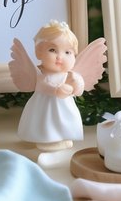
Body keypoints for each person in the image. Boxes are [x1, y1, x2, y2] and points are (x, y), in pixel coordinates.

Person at [16, 21, 86, 151]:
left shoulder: (69, 75)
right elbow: (43, 86)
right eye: (52, 50)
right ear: (39, 52)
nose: (60, 56)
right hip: (44, 105)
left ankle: (63, 138)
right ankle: (46, 139)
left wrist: (77, 84)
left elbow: (79, 91)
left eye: (67, 52)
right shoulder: (42, 75)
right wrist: (57, 90)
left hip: (65, 107)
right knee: (45, 121)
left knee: (65, 120)